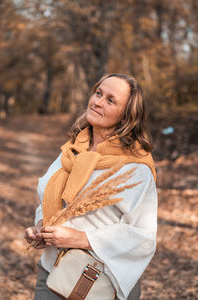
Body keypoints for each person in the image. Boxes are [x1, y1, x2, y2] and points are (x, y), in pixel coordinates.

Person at [24, 73, 157, 300]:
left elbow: (143, 237)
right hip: (52, 273)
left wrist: (79, 238)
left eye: (111, 100)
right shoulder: (72, 150)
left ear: (127, 117)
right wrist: (42, 226)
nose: (98, 102)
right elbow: (51, 200)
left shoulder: (135, 168)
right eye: (98, 93)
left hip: (100, 282)